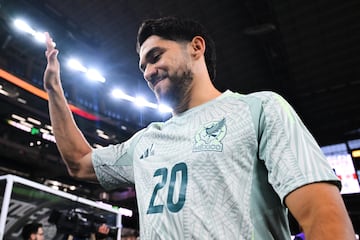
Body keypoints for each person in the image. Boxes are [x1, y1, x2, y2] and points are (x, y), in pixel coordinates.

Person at [43, 16, 356, 239]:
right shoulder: (147, 141)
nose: (148, 72)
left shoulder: (259, 109)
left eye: (155, 56)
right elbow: (79, 163)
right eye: (143, 66)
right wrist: (54, 90)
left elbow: (323, 217)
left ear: (196, 47)